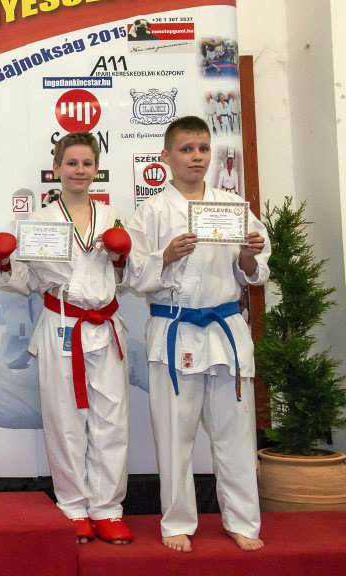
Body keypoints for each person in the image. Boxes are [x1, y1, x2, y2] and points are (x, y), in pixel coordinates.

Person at [125, 116, 269, 553]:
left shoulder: (233, 206)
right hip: (174, 328)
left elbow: (254, 273)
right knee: (174, 435)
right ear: (166, 156)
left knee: (235, 434)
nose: (196, 157)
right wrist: (166, 256)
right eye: (187, 149)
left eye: (203, 149)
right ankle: (177, 521)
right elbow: (133, 275)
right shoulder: (151, 211)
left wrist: (248, 255)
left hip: (225, 331)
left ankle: (242, 520)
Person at [0, 132, 133, 545]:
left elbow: (127, 279)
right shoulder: (38, 222)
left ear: (96, 169)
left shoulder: (113, 217)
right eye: (71, 163)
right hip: (62, 325)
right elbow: (23, 281)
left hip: (105, 327)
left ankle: (107, 509)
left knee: (112, 422)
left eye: (86, 163)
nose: (79, 171)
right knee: (65, 421)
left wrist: (121, 259)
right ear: (56, 169)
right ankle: (73, 507)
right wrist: (3, 263)